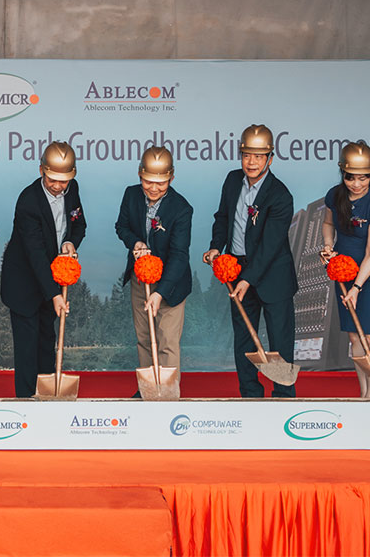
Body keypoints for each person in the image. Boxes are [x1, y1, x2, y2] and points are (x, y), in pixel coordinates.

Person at [203, 124, 297, 398]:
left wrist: (247, 279)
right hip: (237, 269)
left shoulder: (280, 195)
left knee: (279, 342)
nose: (251, 162)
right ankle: (250, 395)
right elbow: (223, 217)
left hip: (273, 276)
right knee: (244, 338)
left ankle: (284, 397)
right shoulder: (233, 180)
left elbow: (270, 246)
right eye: (247, 155)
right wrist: (215, 247)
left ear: (270, 158)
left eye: (258, 156)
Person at [1, 141, 86, 398]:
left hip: (52, 280)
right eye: (53, 180)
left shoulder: (72, 189)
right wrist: (55, 295)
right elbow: (35, 255)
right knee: (27, 349)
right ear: (41, 171)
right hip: (24, 283)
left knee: (47, 342)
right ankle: (26, 403)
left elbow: (79, 224)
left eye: (64, 180)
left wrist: (70, 242)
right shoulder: (28, 202)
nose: (58, 186)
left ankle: (48, 399)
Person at [321, 142, 370, 398]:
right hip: (343, 273)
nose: (356, 184)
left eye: (363, 178)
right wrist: (328, 246)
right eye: (350, 177)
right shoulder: (334, 195)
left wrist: (356, 288)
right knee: (354, 337)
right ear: (342, 173)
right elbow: (328, 224)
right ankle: (363, 394)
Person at [115, 147, 192, 397]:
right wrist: (136, 242)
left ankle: (167, 394)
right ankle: (148, 390)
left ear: (171, 178)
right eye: (148, 181)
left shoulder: (182, 209)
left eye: (161, 182)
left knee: (167, 340)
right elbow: (122, 226)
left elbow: (179, 256)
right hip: (140, 278)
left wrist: (160, 293)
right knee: (145, 337)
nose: (154, 188)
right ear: (140, 175)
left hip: (171, 283)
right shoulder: (131, 195)